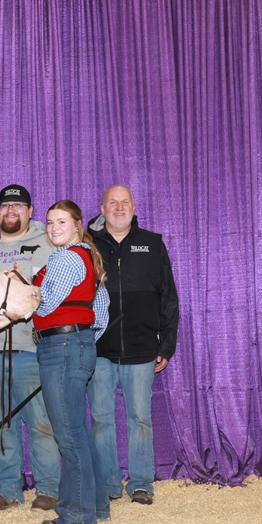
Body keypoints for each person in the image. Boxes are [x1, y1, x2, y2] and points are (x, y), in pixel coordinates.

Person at [87, 185, 179, 505]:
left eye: (124, 202)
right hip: (98, 349)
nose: (119, 207)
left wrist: (166, 345)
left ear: (134, 206)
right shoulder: (87, 244)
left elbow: (168, 297)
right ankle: (108, 484)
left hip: (142, 348)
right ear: (102, 209)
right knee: (101, 419)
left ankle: (141, 484)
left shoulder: (152, 244)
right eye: (112, 203)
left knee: (140, 417)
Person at [0, 184, 61, 513]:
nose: (11, 211)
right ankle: (8, 490)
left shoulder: (49, 244)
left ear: (30, 211)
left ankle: (49, 489)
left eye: (18, 206)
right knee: (0, 426)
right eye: (5, 206)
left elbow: (59, 293)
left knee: (42, 423)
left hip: (33, 350)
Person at [32, 200, 111, 524]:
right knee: (78, 430)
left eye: (61, 222)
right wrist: (82, 337)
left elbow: (47, 305)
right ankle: (96, 504)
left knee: (67, 432)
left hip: (61, 346)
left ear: (78, 225)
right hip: (76, 344)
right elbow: (101, 311)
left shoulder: (65, 258)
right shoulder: (88, 257)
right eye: (50, 222)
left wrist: (28, 294)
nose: (54, 228)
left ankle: (78, 512)